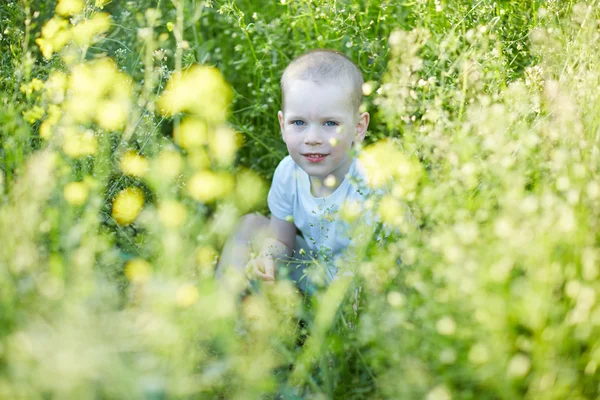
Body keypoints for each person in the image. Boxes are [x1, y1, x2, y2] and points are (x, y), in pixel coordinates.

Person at [216, 49, 371, 292]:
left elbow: (382, 265)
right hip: (310, 275)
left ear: (359, 128)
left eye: (330, 123)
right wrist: (269, 257)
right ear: (282, 124)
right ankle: (221, 316)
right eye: (298, 123)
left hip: (358, 291)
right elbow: (281, 239)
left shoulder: (369, 182)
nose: (312, 138)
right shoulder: (288, 172)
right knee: (250, 226)